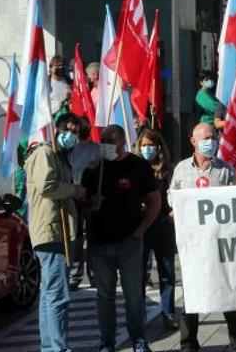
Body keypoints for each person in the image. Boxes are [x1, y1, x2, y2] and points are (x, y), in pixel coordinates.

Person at [81, 125, 161, 352]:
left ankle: (138, 338)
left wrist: (140, 231)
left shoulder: (138, 166)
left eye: (111, 142)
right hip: (100, 242)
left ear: (122, 142)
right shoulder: (94, 169)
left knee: (133, 294)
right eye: (103, 142)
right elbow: (82, 208)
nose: (106, 146)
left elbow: (154, 201)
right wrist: (89, 205)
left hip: (129, 242)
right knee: (105, 295)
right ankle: (107, 341)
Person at [169, 123, 236, 352]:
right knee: (192, 294)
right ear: (193, 141)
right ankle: (188, 344)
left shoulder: (226, 170)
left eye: (213, 137)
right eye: (205, 138)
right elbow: (171, 196)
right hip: (193, 245)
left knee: (230, 294)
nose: (210, 142)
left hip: (222, 244)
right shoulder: (182, 169)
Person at [25, 113, 85, 352]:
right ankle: (58, 348)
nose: (72, 135)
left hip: (56, 231)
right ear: (56, 129)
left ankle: (50, 346)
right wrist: (74, 190)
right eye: (69, 129)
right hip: (50, 231)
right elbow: (47, 186)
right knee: (58, 293)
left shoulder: (60, 156)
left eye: (77, 132)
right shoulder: (45, 153)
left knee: (50, 292)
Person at [137, 129, 178, 331]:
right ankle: (139, 314)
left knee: (167, 272)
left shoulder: (169, 170)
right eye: (143, 145)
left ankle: (168, 313)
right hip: (142, 226)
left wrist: (173, 212)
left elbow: (177, 193)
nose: (147, 149)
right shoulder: (134, 168)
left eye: (150, 145)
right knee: (139, 273)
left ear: (159, 147)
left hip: (163, 224)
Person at [68, 117, 100, 291]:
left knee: (94, 238)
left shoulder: (97, 149)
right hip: (74, 198)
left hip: (93, 198)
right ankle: (75, 275)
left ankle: (95, 273)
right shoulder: (68, 151)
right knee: (77, 238)